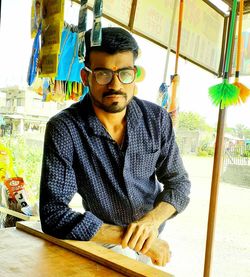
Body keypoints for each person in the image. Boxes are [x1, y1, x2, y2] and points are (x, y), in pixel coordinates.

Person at [39, 27, 191, 267]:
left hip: (153, 234)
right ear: (85, 77)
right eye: (103, 74)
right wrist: (130, 239)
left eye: (124, 73)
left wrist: (150, 223)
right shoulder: (65, 128)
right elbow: (53, 213)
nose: (115, 84)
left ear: (134, 74)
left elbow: (179, 183)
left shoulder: (157, 119)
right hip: (103, 237)